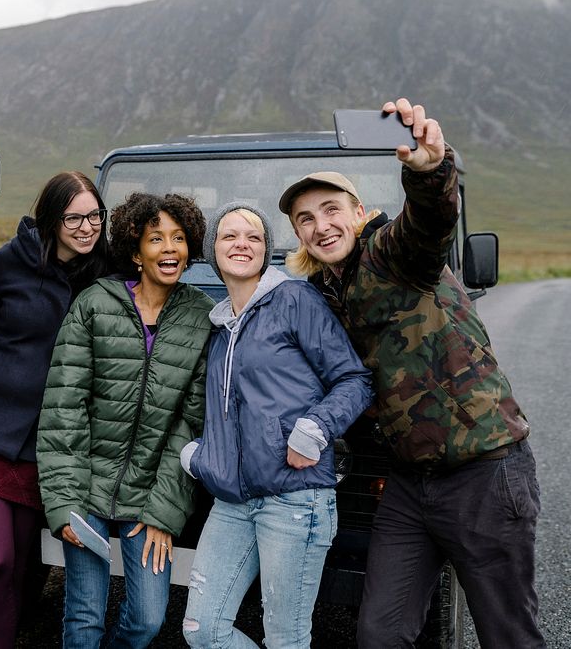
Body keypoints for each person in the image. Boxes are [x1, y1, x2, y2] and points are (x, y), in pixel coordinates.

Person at [279, 98, 544, 648]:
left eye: (331, 210)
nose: (320, 225)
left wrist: (428, 171)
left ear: (357, 211)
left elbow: (427, 225)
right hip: (407, 482)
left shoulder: (389, 255)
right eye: (305, 219)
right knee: (380, 633)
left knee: (508, 635)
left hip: (482, 471)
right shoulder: (326, 291)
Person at [179, 204, 372, 648]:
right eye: (229, 236)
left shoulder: (294, 299)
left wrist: (315, 429)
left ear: (266, 251)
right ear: (213, 250)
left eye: (253, 237)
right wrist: (203, 457)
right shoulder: (220, 325)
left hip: (296, 500)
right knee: (202, 631)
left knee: (285, 640)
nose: (241, 244)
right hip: (232, 501)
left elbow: (355, 379)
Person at [37, 192, 215, 649]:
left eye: (179, 239)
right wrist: (64, 503)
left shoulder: (199, 316)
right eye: (157, 239)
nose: (170, 249)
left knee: (147, 621)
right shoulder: (96, 304)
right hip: (86, 490)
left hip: (148, 500)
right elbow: (64, 408)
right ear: (136, 252)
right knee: (83, 620)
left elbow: (189, 425)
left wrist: (164, 512)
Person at [0, 171, 110, 648]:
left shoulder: (104, 274)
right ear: (51, 220)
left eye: (94, 216)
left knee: (22, 566)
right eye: (73, 217)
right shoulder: (8, 262)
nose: (86, 227)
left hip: (47, 441)